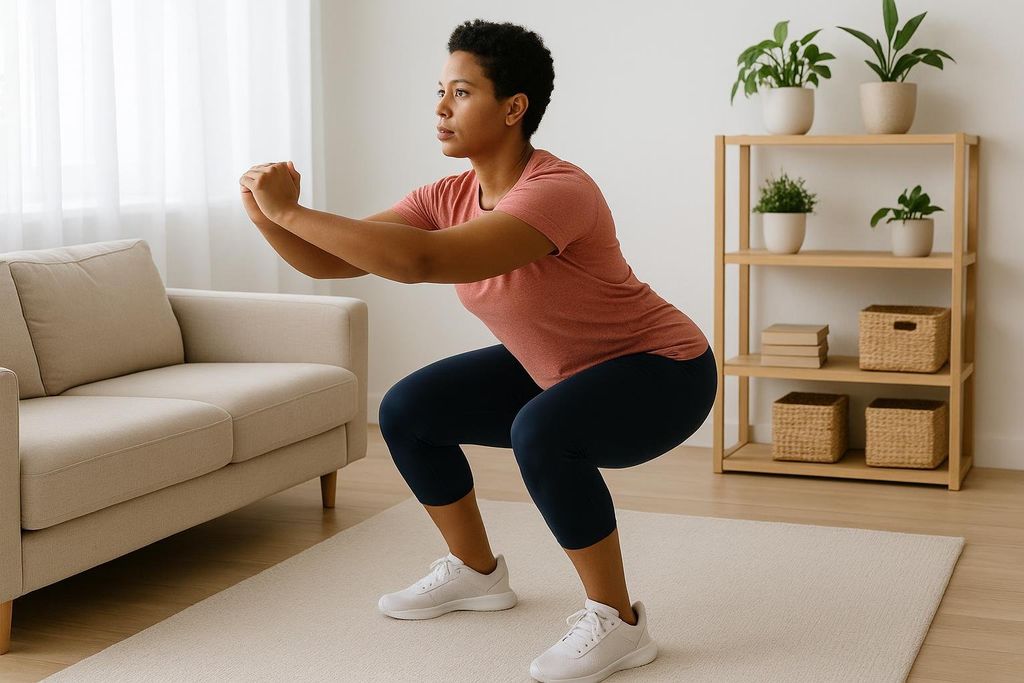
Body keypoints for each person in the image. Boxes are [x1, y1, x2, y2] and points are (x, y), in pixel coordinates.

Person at [240, 18, 716, 683]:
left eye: (460, 93)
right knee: (408, 409)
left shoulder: (557, 191)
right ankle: (476, 572)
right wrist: (265, 215)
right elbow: (329, 261)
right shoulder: (446, 195)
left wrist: (290, 211)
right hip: (555, 369)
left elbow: (419, 261)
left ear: (514, 108)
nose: (440, 108)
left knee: (542, 432)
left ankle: (619, 622)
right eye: (440, 91)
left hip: (662, 372)